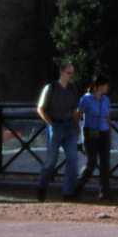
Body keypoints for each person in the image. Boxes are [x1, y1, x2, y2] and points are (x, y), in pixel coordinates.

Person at [35, 63, 80, 201]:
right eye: (68, 72)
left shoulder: (72, 89)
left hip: (68, 126)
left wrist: (76, 126)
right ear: (61, 73)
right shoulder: (51, 88)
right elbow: (41, 108)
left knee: (72, 159)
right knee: (51, 160)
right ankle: (42, 187)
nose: (71, 75)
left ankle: (68, 193)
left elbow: (74, 110)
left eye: (72, 73)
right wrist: (51, 124)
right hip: (55, 126)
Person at [72, 75, 114, 200]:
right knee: (91, 163)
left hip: (103, 133)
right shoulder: (86, 99)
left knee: (105, 163)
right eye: (106, 85)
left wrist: (109, 133)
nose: (108, 87)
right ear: (100, 86)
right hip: (91, 133)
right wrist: (77, 130)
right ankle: (76, 188)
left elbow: (107, 117)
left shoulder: (106, 100)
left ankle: (104, 192)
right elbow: (78, 116)